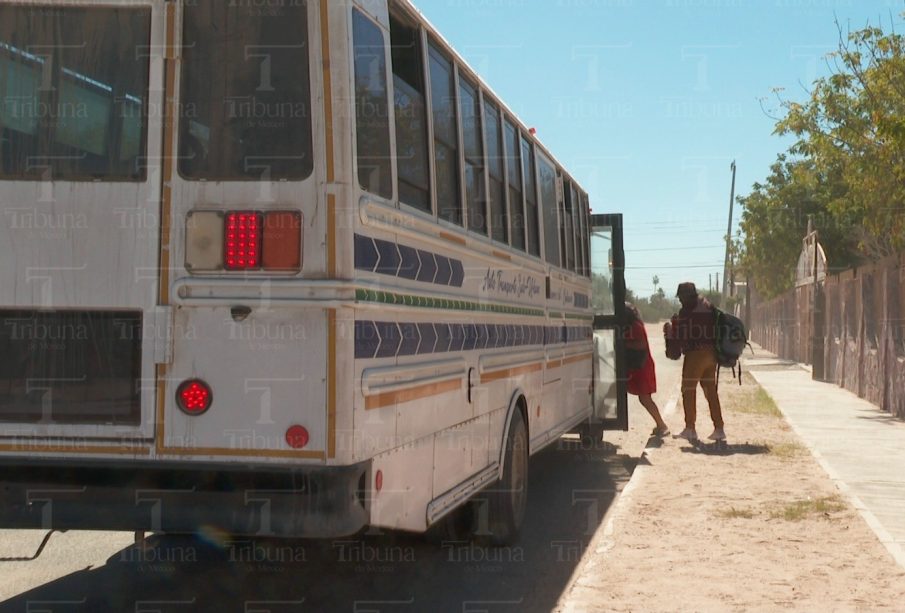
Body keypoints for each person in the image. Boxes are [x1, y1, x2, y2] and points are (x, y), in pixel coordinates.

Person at [663, 282, 725, 442]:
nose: (680, 301)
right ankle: (719, 428)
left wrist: (672, 330)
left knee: (688, 389)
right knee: (710, 391)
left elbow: (683, 336)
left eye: (681, 297)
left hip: (696, 354)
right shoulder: (707, 304)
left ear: (686, 296)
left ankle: (690, 428)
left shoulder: (688, 310)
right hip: (711, 355)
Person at [624, 302, 670, 437]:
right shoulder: (629, 326)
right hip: (634, 366)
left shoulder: (636, 327)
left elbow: (641, 344)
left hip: (642, 367)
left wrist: (624, 343)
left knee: (645, 398)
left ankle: (662, 425)